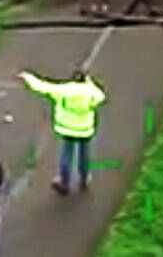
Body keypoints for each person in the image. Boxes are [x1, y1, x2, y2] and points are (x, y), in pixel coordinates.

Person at [18, 67, 106, 195]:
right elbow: (101, 97)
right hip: (85, 129)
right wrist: (90, 83)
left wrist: (28, 78)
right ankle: (84, 178)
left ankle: (64, 182)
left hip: (67, 128)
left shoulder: (64, 90)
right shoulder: (91, 92)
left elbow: (43, 87)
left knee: (66, 155)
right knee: (84, 154)